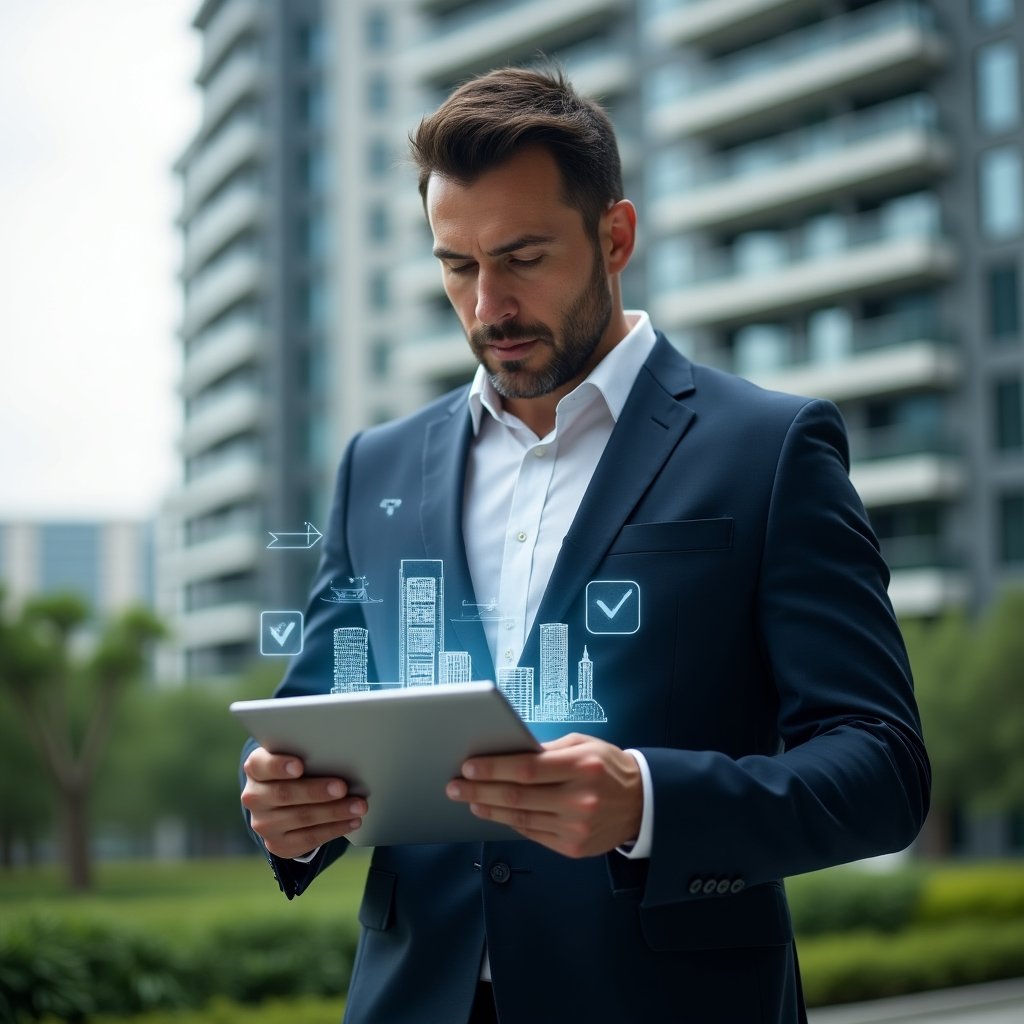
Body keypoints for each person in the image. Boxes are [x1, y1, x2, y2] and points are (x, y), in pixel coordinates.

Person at [240, 67, 930, 1024]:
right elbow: (315, 720)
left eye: (522, 258)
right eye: (456, 266)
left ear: (616, 237)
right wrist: (288, 814)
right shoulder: (378, 467)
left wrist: (648, 801)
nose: (488, 307)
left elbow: (883, 768)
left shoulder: (769, 449)